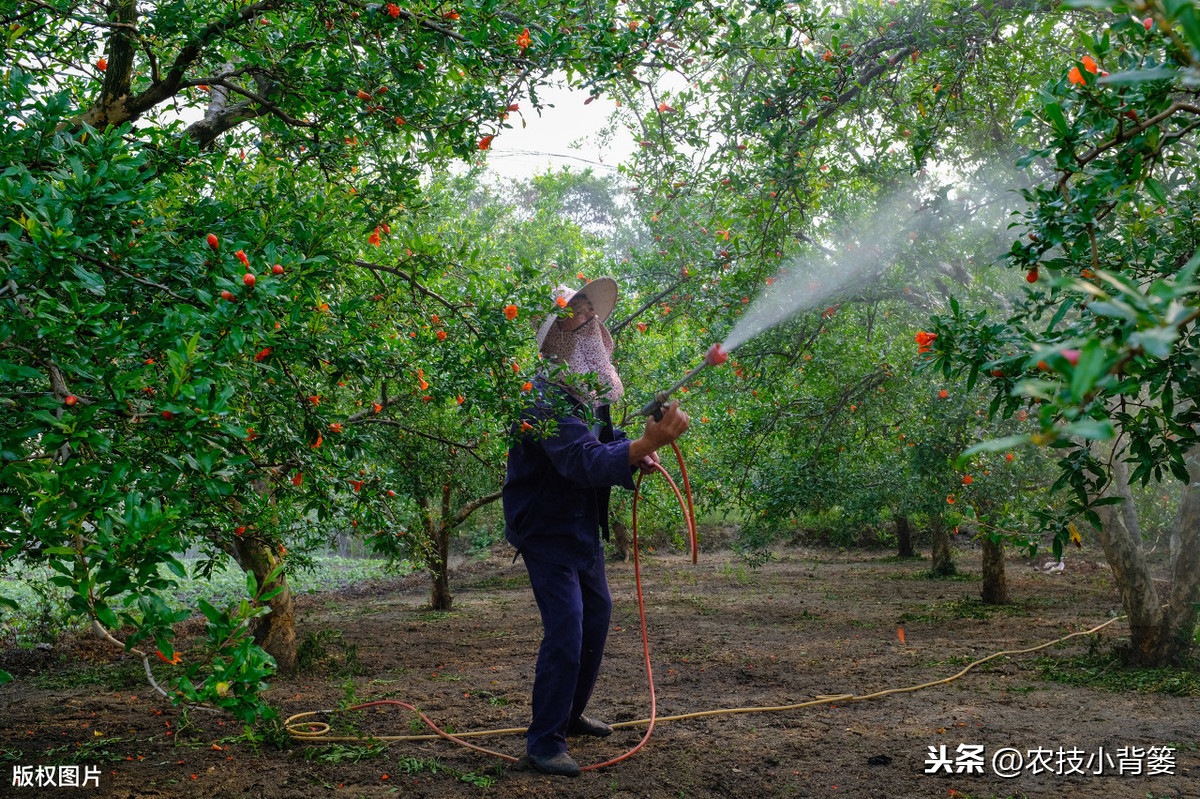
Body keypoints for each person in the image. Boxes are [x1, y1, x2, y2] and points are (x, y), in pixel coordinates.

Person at [502, 277, 690, 777]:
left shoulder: (587, 394)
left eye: (591, 313)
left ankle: (569, 714)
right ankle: (543, 743)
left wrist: (634, 450)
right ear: (556, 336)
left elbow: (603, 439)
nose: (588, 322)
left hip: (581, 525)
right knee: (566, 629)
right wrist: (641, 448)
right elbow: (580, 460)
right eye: (576, 315)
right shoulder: (542, 397)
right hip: (546, 529)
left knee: (597, 617)